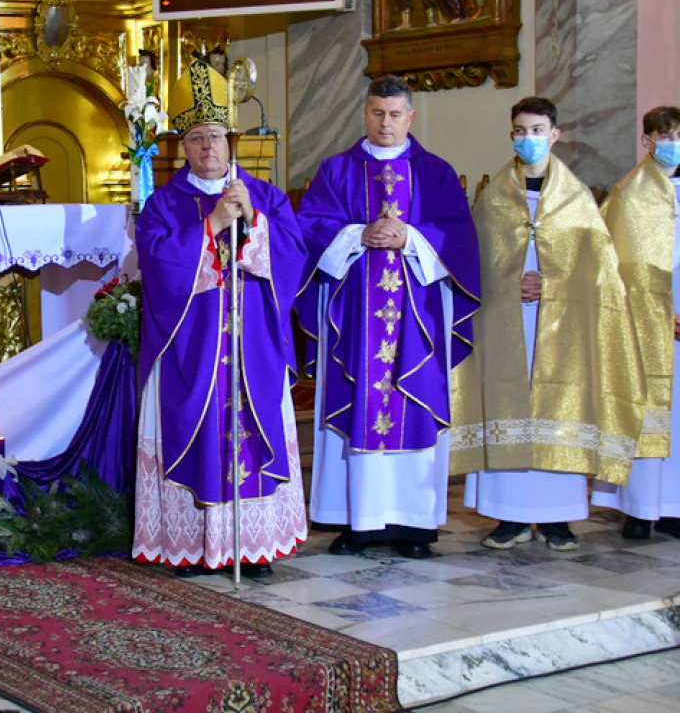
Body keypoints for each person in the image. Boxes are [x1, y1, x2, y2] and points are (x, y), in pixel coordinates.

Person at [131, 59, 308, 578]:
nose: (207, 147)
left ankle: (252, 546)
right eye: (195, 139)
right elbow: (159, 263)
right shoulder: (164, 203)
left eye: (215, 136)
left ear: (231, 141)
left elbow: (294, 257)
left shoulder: (264, 196)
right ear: (182, 148)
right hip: (191, 347)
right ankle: (190, 545)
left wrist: (253, 222)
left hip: (252, 343)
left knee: (252, 429)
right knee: (197, 426)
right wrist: (211, 224)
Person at [295, 75, 481, 559]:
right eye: (377, 113)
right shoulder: (336, 171)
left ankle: (414, 526)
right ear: (365, 114)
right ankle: (356, 522)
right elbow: (311, 230)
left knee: (412, 406)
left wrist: (412, 238)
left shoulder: (436, 173)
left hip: (416, 325)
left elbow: (458, 236)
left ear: (411, 117)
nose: (386, 123)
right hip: (356, 323)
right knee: (357, 403)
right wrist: (357, 235)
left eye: (395, 114)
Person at [451, 97, 644, 551]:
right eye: (520, 130)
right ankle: (508, 518)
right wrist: (509, 280)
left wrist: (553, 282)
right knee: (507, 403)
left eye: (537, 130)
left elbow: (598, 270)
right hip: (506, 319)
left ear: (554, 135)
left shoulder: (577, 199)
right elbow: (475, 260)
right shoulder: (495, 196)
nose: (528, 138)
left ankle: (557, 520)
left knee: (560, 405)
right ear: (511, 134)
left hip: (564, 327)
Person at [591, 106, 680, 539]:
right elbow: (613, 267)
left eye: (678, 136)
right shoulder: (628, 195)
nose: (671, 145)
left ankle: (676, 507)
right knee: (645, 411)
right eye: (664, 136)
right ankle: (641, 509)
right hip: (646, 320)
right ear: (647, 140)